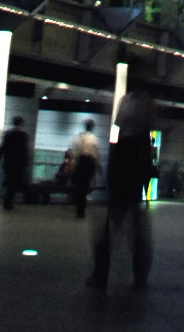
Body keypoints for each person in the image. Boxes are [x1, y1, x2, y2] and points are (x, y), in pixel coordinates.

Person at [90, 83, 156, 290]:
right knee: (131, 225)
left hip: (127, 159)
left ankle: (104, 273)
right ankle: (137, 276)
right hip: (131, 160)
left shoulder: (130, 101)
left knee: (116, 224)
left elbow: (121, 130)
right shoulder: (139, 101)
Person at [0, 114, 30, 210]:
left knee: (10, 181)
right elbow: (25, 150)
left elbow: (2, 148)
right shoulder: (24, 135)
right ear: (21, 124)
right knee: (16, 183)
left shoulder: (7, 134)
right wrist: (26, 162)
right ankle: (8, 201)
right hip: (19, 164)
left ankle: (7, 201)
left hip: (8, 162)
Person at [69, 117, 100, 220]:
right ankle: (81, 210)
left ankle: (79, 210)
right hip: (90, 163)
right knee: (86, 185)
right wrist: (98, 165)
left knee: (80, 187)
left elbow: (74, 151)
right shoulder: (94, 139)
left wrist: (73, 164)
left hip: (81, 162)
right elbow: (96, 153)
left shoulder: (79, 137)